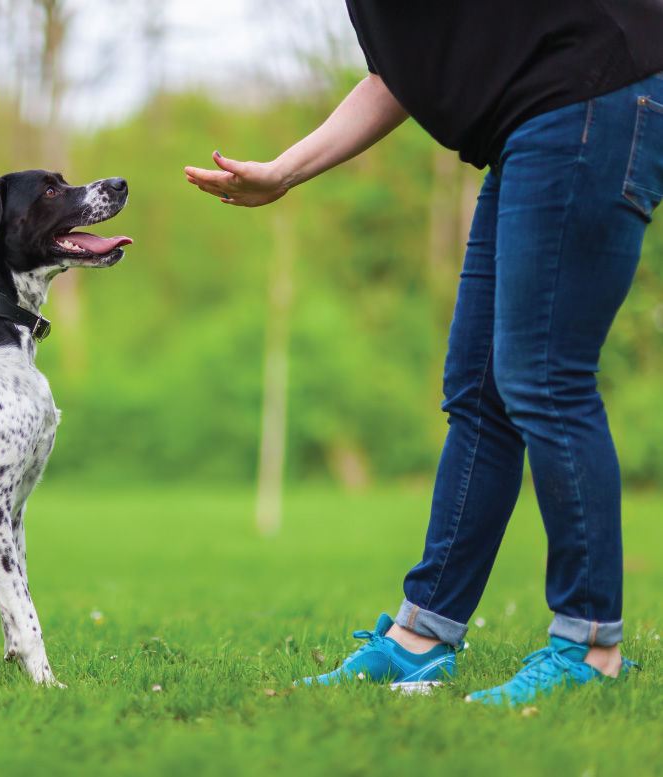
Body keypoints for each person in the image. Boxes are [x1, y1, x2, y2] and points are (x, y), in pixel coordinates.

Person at [185, 1, 663, 705]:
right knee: (479, 392)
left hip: (590, 93)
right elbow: (396, 79)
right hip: (537, 120)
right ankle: (422, 636)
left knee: (542, 376)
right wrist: (284, 171)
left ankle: (590, 644)